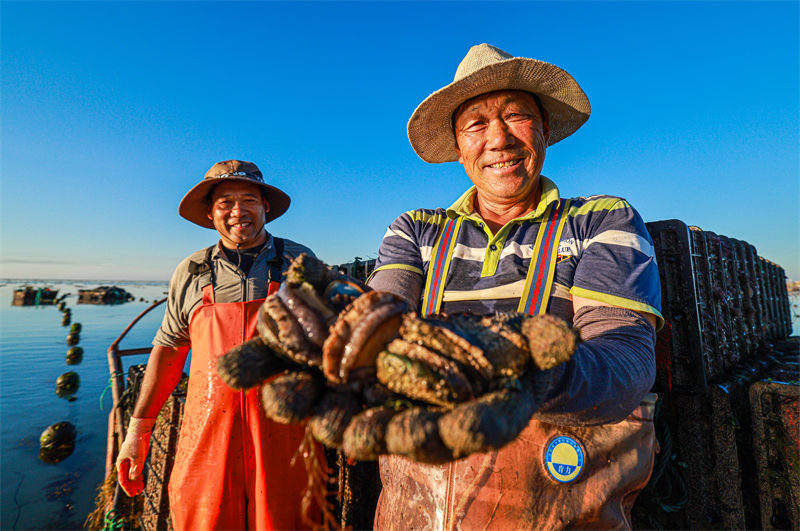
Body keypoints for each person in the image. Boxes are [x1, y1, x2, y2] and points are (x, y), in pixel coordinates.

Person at [368, 44, 663, 529]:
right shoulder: (415, 229)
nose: (499, 139)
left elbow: (624, 361)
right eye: (477, 125)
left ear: (544, 130)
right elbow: (380, 327)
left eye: (516, 116)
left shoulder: (601, 219)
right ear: (459, 147)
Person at [116, 160, 317, 530]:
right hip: (206, 439)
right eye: (225, 203)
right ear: (210, 213)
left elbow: (331, 346)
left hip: (286, 438)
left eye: (248, 200)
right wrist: (136, 432)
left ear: (265, 206)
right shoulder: (190, 271)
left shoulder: (300, 263)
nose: (238, 212)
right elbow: (169, 350)